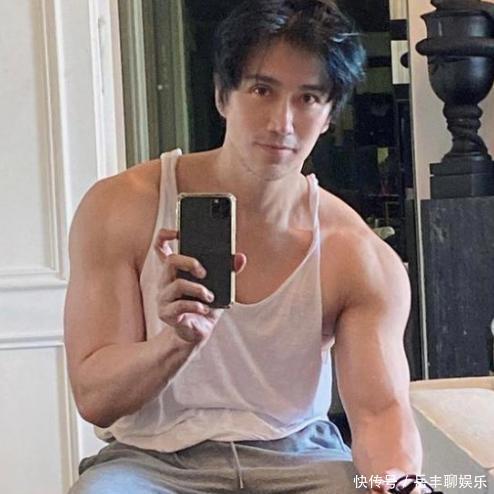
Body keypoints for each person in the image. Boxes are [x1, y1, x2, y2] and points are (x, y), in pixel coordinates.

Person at [64, 1, 430, 492]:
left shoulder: (355, 252)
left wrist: (398, 484)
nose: (282, 122)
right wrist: (175, 342)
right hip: (150, 462)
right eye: (262, 90)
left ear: (329, 116)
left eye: (308, 98)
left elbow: (381, 412)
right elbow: (95, 398)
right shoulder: (122, 207)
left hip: (302, 458)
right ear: (223, 95)